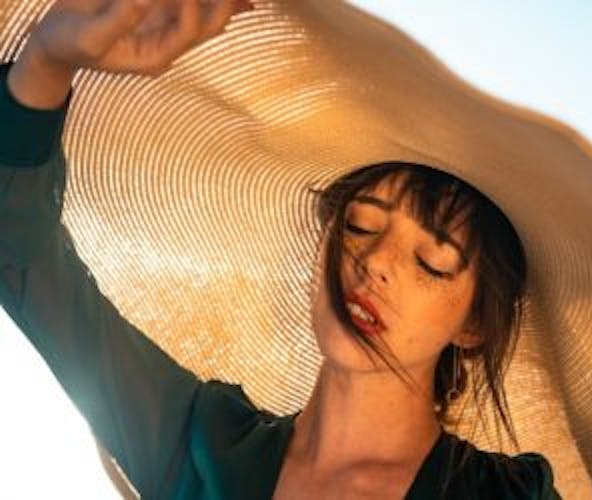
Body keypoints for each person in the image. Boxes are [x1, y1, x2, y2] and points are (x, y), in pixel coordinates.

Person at [0, 0, 559, 498]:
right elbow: (22, 254)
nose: (376, 262)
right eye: (360, 226)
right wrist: (47, 60)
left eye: (431, 263)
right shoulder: (200, 443)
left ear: (474, 324)